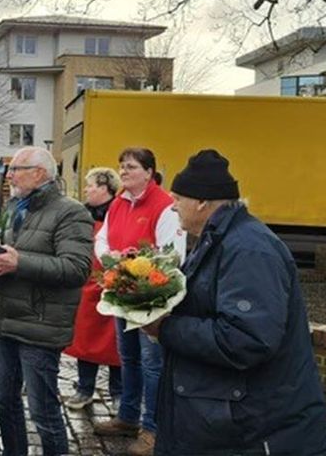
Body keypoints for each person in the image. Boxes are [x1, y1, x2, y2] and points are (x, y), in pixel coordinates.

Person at [145, 149, 326, 455]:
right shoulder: (218, 238)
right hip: (226, 419)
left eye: (178, 197)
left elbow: (246, 339)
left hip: (252, 429)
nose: (173, 204)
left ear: (202, 202)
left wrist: (165, 328)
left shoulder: (248, 249)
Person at [0, 146, 94, 456]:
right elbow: (8, 262)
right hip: (5, 322)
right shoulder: (17, 207)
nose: (10, 175)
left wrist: (19, 263)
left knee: (43, 411)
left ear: (39, 173)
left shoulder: (72, 212)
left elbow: (77, 269)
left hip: (41, 327)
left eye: (16, 169)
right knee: (3, 400)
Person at [92, 147, 186, 456]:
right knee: (128, 357)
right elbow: (103, 238)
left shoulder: (164, 206)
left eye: (131, 166)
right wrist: (111, 258)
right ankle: (128, 416)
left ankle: (153, 428)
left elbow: (172, 253)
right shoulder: (118, 202)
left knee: (151, 363)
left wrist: (138, 262)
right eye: (122, 166)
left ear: (149, 172)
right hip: (122, 289)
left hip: (149, 297)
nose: (124, 171)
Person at [63, 167, 122, 410]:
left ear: (105, 188)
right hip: (87, 286)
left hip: (113, 286)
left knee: (115, 345)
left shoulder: (119, 214)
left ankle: (119, 394)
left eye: (91, 186)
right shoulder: (82, 215)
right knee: (85, 341)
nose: (86, 189)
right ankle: (84, 388)